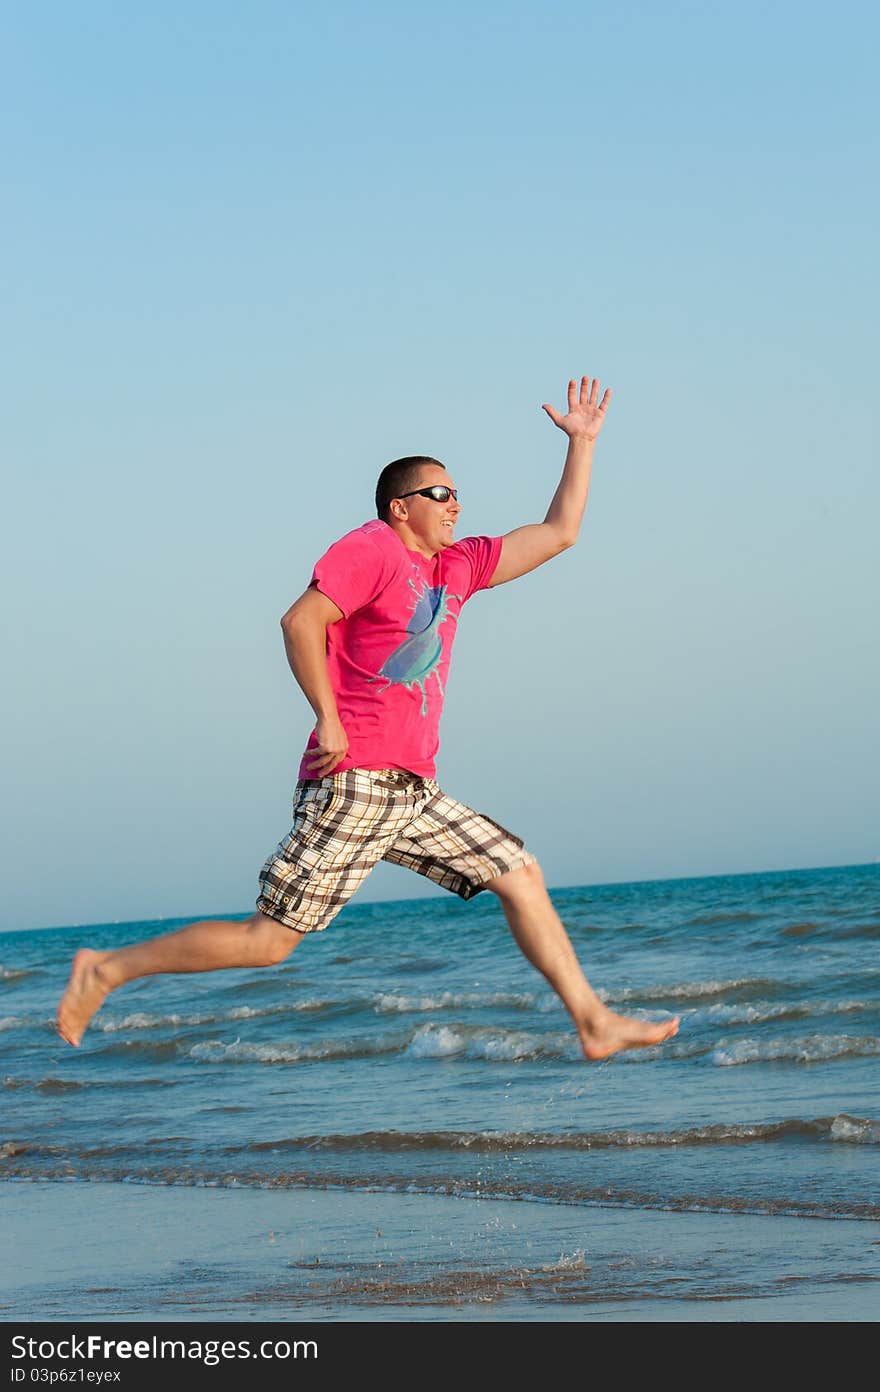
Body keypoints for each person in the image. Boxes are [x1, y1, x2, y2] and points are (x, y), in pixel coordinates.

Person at [57, 376, 679, 1059]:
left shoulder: (459, 567)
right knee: (268, 944)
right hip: (355, 778)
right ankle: (105, 969)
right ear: (399, 507)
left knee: (519, 872)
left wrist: (582, 445)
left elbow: (560, 532)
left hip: (412, 788)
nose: (454, 505)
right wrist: (326, 716)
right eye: (439, 495)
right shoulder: (374, 548)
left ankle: (592, 1020)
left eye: (457, 494)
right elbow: (300, 621)